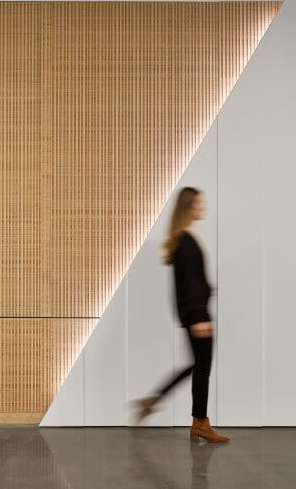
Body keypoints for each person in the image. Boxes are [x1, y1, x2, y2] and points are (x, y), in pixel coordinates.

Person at [134, 186, 229, 443]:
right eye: (199, 204)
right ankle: (200, 423)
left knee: (197, 366)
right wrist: (199, 316)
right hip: (197, 314)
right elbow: (188, 285)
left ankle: (156, 399)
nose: (203, 208)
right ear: (188, 207)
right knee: (202, 369)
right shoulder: (186, 243)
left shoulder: (184, 238)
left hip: (196, 313)